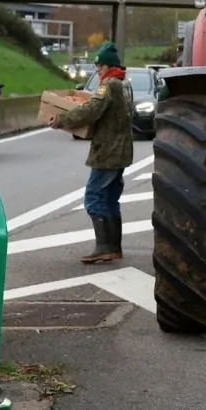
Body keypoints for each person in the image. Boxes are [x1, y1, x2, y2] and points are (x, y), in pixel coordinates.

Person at [50, 42, 134, 263]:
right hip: (121, 150)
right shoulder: (124, 85)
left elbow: (92, 109)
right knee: (110, 198)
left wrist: (62, 120)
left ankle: (104, 246)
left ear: (108, 66)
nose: (96, 69)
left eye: (99, 65)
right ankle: (114, 247)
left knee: (94, 197)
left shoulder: (108, 85)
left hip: (108, 150)